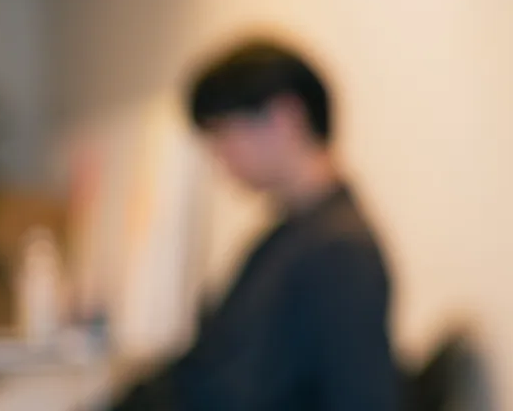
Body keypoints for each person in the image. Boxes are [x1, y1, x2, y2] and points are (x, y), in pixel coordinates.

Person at [112, 39, 398, 411]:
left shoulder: (339, 253)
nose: (219, 156)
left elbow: (361, 399)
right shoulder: (294, 236)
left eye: (222, 134)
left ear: (284, 116)